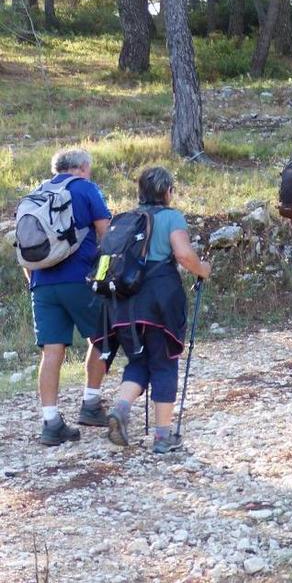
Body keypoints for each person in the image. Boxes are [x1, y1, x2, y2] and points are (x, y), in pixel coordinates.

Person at [102, 167, 212, 454]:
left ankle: (121, 408)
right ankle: (164, 437)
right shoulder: (170, 217)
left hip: (124, 301)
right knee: (164, 363)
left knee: (138, 362)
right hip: (159, 301)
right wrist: (204, 270)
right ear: (168, 192)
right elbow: (183, 254)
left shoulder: (126, 219)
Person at [25, 149, 112, 445]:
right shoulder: (86, 189)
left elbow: (25, 247)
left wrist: (34, 282)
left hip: (40, 282)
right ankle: (91, 404)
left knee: (51, 352)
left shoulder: (36, 194)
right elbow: (107, 235)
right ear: (82, 168)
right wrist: (104, 275)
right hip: (79, 278)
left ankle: (50, 422)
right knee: (103, 336)